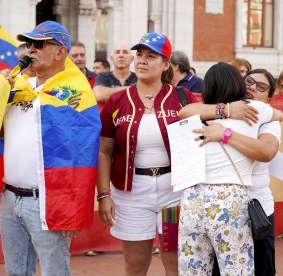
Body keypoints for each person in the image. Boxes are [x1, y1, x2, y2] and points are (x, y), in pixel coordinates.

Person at [0, 21, 100, 276]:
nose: (30, 49)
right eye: (29, 44)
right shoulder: (17, 87)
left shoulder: (76, 94)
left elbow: (83, 153)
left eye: (39, 44)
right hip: (10, 198)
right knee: (15, 272)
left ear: (60, 52)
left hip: (48, 202)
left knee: (54, 272)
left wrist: (73, 210)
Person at [97, 32, 197, 276]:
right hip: (131, 195)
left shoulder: (182, 98)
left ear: (166, 65)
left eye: (151, 56)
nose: (141, 60)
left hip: (174, 194)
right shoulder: (118, 100)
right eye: (139, 55)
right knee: (135, 267)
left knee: (175, 266)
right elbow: (104, 150)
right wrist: (103, 195)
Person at [178, 62, 283, 275]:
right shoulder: (254, 111)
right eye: (249, 82)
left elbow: (267, 151)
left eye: (261, 87)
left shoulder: (201, 116)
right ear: (238, 84)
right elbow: (280, 113)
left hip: (200, 202)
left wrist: (225, 132)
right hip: (234, 202)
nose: (253, 88)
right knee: (236, 269)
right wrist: (227, 110)